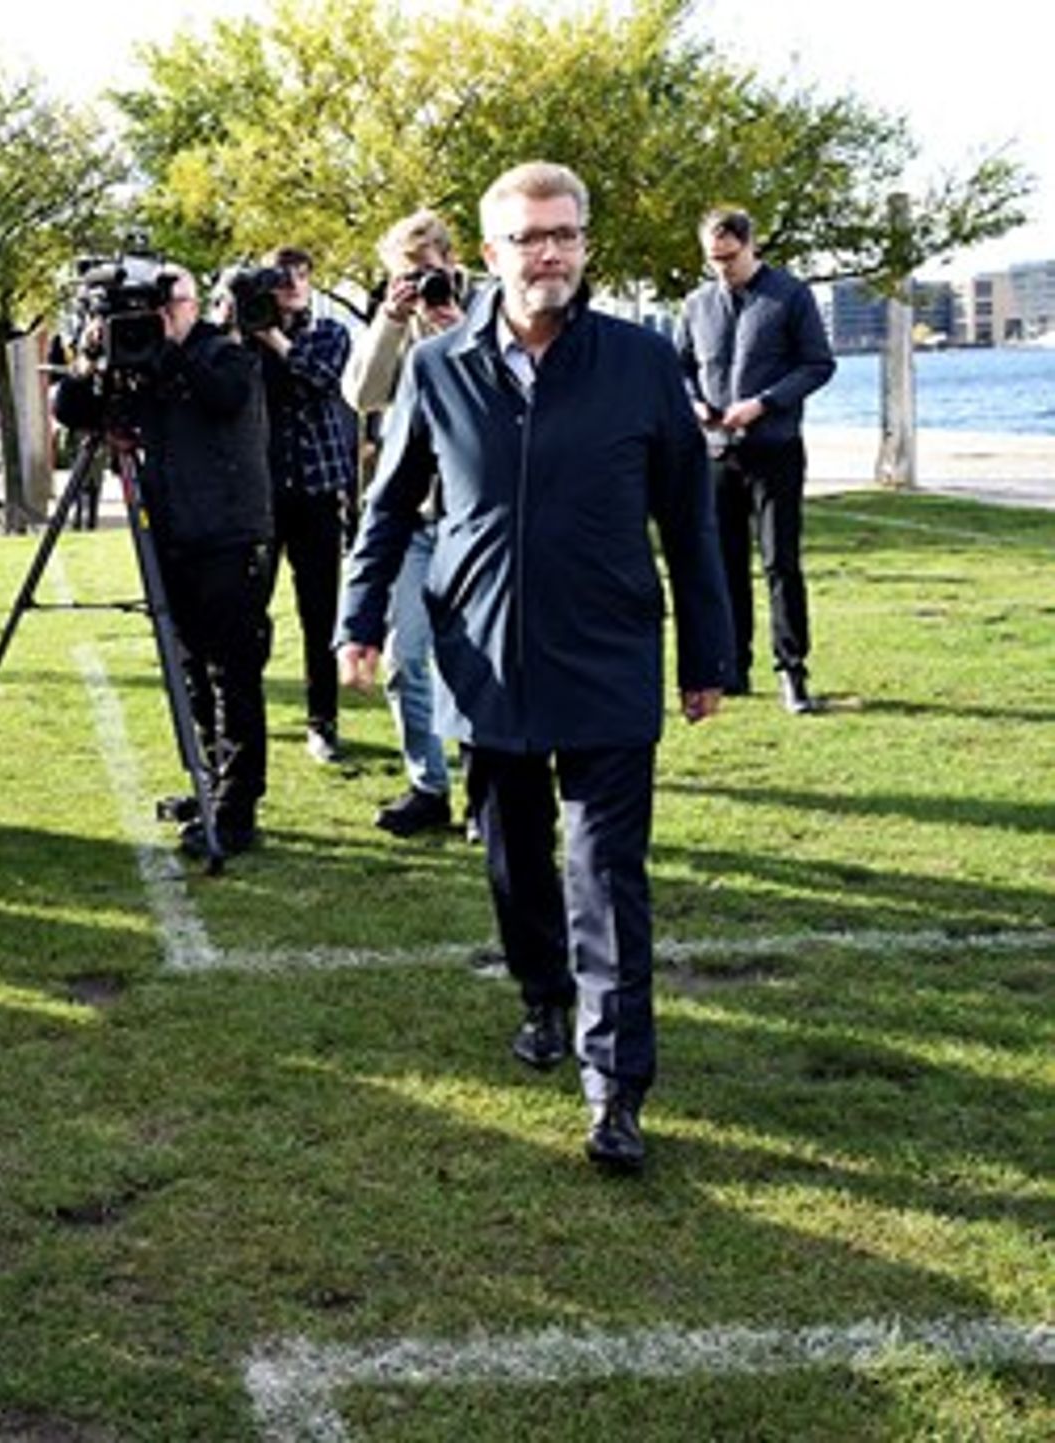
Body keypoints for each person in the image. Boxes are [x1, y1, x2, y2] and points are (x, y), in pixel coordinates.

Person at [338, 161, 735, 1174]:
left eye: (563, 234)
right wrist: (359, 619)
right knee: (516, 861)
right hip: (486, 660)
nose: (546, 252)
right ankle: (541, 999)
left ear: (584, 244)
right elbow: (387, 509)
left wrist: (706, 653)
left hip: (606, 657)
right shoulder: (438, 367)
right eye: (527, 238)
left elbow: (690, 521)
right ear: (490, 253)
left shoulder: (641, 363)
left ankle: (615, 1089)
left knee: (605, 876)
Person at [54, 264, 276, 852]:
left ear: (194, 302)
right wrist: (90, 356)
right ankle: (209, 783)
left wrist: (170, 348)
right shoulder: (138, 362)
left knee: (233, 673)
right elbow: (71, 408)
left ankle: (236, 809)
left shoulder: (224, 353)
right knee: (190, 669)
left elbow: (222, 398)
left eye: (167, 301)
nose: (155, 314)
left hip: (230, 535)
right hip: (170, 535)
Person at [675, 207, 837, 714]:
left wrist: (764, 403)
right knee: (724, 566)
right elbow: (677, 367)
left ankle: (793, 671)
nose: (721, 267)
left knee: (780, 562)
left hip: (776, 451)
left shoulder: (790, 295)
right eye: (712, 259)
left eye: (729, 257)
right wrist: (695, 404)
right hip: (717, 454)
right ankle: (734, 667)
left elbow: (818, 364)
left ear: (751, 246)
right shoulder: (696, 304)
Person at [341, 210, 471, 838]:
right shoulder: (392, 319)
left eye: (429, 271)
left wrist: (456, 326)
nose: (421, 283)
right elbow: (363, 395)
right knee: (406, 657)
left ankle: (485, 787)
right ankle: (428, 784)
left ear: (451, 261)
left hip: (470, 520)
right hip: (413, 519)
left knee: (473, 661)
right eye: (406, 274)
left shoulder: (488, 309)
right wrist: (392, 320)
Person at [250, 246, 359, 766]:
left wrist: (273, 337)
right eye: (281, 276)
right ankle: (246, 716)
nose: (292, 282)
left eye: (301, 273)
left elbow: (319, 377)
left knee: (321, 615)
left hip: (316, 491)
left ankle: (324, 722)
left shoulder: (330, 333)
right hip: (260, 495)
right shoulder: (244, 335)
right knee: (250, 611)